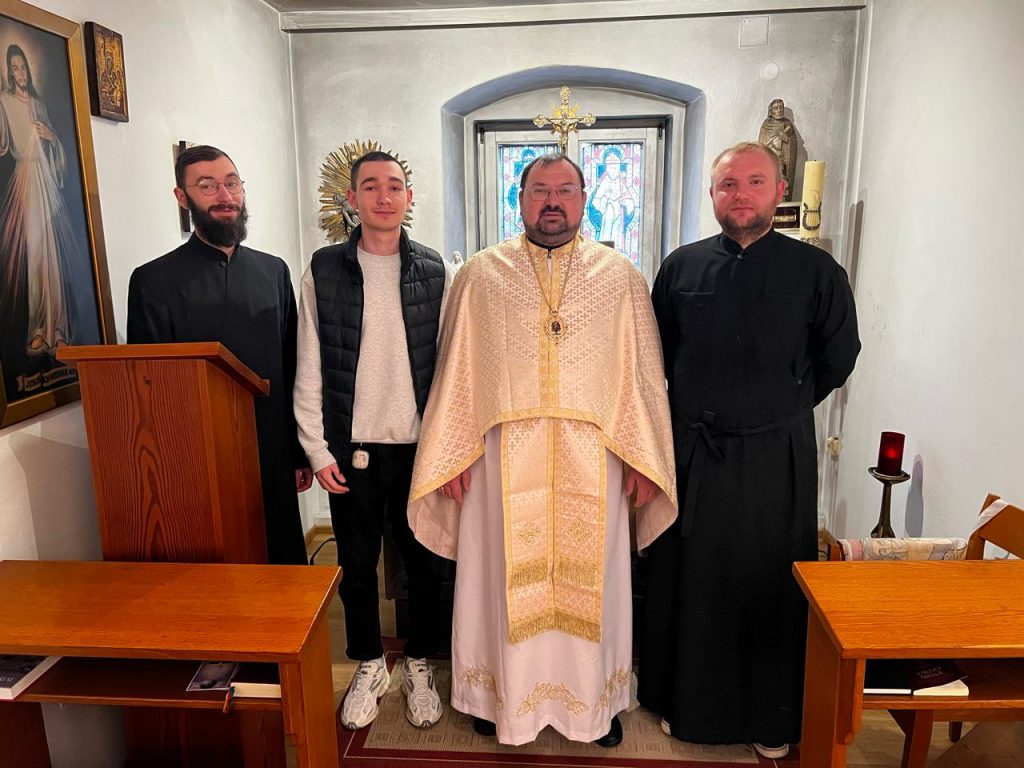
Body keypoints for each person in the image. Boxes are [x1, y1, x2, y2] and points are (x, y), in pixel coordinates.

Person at [407, 154, 678, 747]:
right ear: (520, 199)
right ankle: (497, 699)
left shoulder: (620, 277)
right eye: (538, 190)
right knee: (496, 577)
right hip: (500, 458)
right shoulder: (480, 275)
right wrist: (453, 454)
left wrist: (644, 457)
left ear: (584, 198)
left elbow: (642, 376)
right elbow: (456, 374)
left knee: (595, 583)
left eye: (564, 190)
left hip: (595, 457)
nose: (551, 201)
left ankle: (593, 706)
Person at [638, 141, 860, 758]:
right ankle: (684, 702)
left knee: (769, 581)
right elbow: (656, 354)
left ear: (780, 190)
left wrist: (777, 409)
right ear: (712, 194)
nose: (741, 195)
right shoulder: (681, 268)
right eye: (728, 184)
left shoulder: (817, 272)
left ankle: (770, 712)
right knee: (689, 579)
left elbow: (838, 356)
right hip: (695, 452)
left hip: (774, 456)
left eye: (755, 182)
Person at [293, 150, 454, 731]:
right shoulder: (324, 270)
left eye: (394, 186)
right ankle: (367, 662)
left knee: (424, 565)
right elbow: (310, 362)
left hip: (420, 452)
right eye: (371, 186)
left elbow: (451, 367)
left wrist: (449, 451)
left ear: (409, 197)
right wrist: (317, 449)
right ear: (353, 198)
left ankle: (418, 664)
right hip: (352, 450)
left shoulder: (436, 271)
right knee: (357, 567)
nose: (384, 196)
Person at [127, 145, 311, 565]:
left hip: (270, 450)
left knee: (281, 566)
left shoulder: (273, 271)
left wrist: (298, 452)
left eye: (232, 183)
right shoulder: (153, 280)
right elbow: (148, 386)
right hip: (195, 456)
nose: (225, 196)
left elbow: (292, 366)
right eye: (207, 186)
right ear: (182, 197)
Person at [0, 44, 79, 357]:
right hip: (26, 181)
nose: (20, 73)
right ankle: (37, 327)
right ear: (10, 72)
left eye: (23, 67)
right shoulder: (4, 102)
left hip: (46, 182)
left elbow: (55, 147)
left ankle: (57, 328)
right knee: (35, 254)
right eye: (15, 68)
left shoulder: (39, 104)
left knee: (53, 257)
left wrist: (52, 137)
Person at [757, 98, 796, 201]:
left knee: (781, 175)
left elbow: (791, 141)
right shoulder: (766, 125)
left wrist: (785, 136)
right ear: (771, 111)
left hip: (781, 159)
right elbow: (761, 144)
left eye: (781, 107)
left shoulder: (787, 124)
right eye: (776, 108)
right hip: (768, 158)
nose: (779, 110)